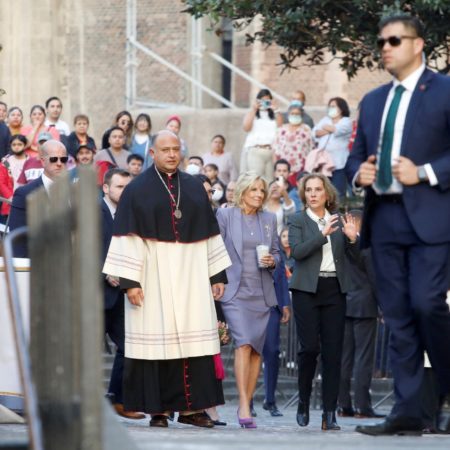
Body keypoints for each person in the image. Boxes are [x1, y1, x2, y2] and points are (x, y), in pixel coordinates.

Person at [345, 14, 450, 436]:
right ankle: (408, 411)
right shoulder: (372, 101)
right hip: (384, 220)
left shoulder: (445, 91)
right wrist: (358, 175)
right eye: (381, 41)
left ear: (418, 44)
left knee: (427, 305)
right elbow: (354, 159)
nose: (385, 47)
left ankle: (441, 392)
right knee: (400, 317)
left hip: (431, 220)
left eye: (394, 39)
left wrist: (423, 172)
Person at [102, 130, 231, 429]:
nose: (172, 154)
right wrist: (130, 282)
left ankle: (192, 410)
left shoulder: (195, 187)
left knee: (193, 343)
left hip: (192, 273)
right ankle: (157, 410)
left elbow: (210, 233)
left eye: (176, 149)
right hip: (152, 274)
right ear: (153, 153)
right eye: (165, 150)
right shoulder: (137, 190)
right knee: (154, 344)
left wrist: (217, 274)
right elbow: (127, 239)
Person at [288, 173, 358, 431]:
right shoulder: (296, 219)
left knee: (333, 353)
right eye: (309, 190)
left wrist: (352, 239)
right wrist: (322, 235)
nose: (314, 194)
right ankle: (304, 401)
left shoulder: (340, 220)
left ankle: (330, 413)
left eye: (318, 189)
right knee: (309, 349)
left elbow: (356, 259)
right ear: (304, 194)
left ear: (327, 194)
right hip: (306, 290)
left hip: (334, 290)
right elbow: (297, 252)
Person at [216, 172, 280, 428]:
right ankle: (244, 405)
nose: (258, 194)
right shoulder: (225, 215)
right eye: (253, 189)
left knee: (256, 350)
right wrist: (215, 280)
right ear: (242, 191)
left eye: (261, 191)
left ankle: (248, 399)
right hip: (235, 290)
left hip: (261, 290)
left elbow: (276, 250)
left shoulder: (269, 219)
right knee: (243, 343)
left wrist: (273, 260)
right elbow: (215, 249)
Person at [101, 168, 145, 420]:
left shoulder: (131, 214)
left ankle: (118, 399)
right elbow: (86, 247)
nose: (124, 192)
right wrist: (104, 272)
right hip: (95, 295)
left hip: (120, 293)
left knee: (128, 345)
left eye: (128, 187)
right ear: (106, 188)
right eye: (119, 187)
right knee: (83, 351)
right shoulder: (95, 211)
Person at [337, 210, 384, 419]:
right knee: (363, 359)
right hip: (364, 305)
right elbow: (374, 278)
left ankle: (344, 405)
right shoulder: (364, 245)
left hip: (345, 303)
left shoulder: (341, 246)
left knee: (345, 358)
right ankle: (362, 406)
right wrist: (384, 305)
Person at [9, 140, 68, 257]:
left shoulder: (74, 191)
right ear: (42, 161)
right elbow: (18, 239)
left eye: (63, 159)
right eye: (53, 159)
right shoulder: (24, 193)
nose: (59, 163)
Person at [261, 246, 291, 417]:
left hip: (273, 306)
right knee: (250, 350)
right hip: (250, 304)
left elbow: (281, 277)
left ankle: (270, 400)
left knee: (272, 351)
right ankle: (247, 403)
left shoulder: (275, 245)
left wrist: (285, 303)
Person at [313, 98, 352, 198]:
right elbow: (315, 133)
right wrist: (330, 129)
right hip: (323, 163)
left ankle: (338, 213)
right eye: (330, 106)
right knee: (323, 192)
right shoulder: (325, 119)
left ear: (341, 108)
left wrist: (328, 128)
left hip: (338, 164)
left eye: (333, 106)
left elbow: (337, 130)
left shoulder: (346, 121)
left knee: (338, 192)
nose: (331, 108)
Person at [241, 89, 278, 180]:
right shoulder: (252, 113)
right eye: (262, 101)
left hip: (271, 151)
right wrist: (254, 109)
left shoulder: (274, 115)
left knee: (270, 181)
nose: (264, 103)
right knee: (255, 179)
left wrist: (276, 109)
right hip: (255, 149)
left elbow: (280, 127)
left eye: (267, 101)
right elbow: (246, 127)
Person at [273, 103, 314, 183]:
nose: (295, 116)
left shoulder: (306, 129)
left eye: (297, 114)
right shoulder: (281, 130)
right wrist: (276, 168)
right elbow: (275, 150)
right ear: (288, 115)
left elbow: (311, 149)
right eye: (292, 114)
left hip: (301, 169)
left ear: (301, 116)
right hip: (283, 170)